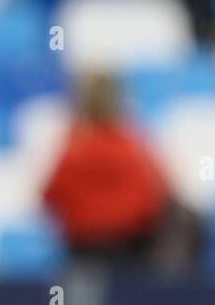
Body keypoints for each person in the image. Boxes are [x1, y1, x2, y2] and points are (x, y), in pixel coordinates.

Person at [42, 72, 172, 266]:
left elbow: (50, 196)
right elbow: (156, 198)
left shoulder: (73, 151)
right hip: (131, 254)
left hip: (86, 255)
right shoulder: (135, 149)